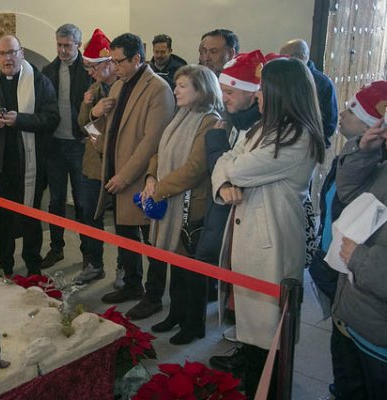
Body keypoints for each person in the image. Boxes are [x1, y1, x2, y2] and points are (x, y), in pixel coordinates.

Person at [208, 57, 326, 397]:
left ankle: (269, 387)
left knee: (270, 331)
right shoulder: (264, 127)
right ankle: (253, 375)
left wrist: (230, 169)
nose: (258, 95)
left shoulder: (298, 136)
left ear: (281, 92)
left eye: (264, 89)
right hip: (249, 231)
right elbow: (225, 164)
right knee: (252, 325)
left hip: (271, 238)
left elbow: (239, 167)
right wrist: (223, 182)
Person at [309, 76, 387, 400]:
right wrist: (363, 151)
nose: (384, 134)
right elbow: (350, 194)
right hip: (352, 322)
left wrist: (361, 259)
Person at [130, 65, 222, 344]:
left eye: (182, 86)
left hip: (191, 205)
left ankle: (193, 325)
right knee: (176, 266)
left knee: (191, 271)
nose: (175, 90)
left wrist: (159, 189)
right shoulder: (180, 114)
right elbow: (159, 151)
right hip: (169, 200)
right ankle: (176, 314)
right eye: (176, 84)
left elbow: (195, 168)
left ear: (201, 89)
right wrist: (149, 178)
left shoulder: (209, 120)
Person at [88, 33, 176, 308]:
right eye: (112, 62)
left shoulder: (158, 89)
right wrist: (94, 117)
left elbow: (153, 141)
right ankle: (132, 285)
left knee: (151, 241)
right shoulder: (117, 86)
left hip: (140, 178)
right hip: (115, 171)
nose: (114, 67)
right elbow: (109, 129)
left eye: (119, 61)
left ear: (138, 58)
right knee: (125, 234)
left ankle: (153, 296)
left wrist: (125, 176)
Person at [0, 35, 60, 276]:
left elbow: (52, 118)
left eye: (12, 52)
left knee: (30, 217)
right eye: (2, 53)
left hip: (29, 164)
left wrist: (20, 119)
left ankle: (33, 266)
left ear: (22, 53)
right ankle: (4, 264)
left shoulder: (39, 81)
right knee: (1, 219)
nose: (7, 58)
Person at [204, 50, 268, 341]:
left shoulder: (261, 128)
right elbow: (223, 164)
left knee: (257, 299)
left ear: (251, 94)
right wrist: (224, 172)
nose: (224, 99)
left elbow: (235, 168)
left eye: (229, 92)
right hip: (231, 211)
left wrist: (224, 164)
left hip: (254, 221)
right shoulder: (237, 120)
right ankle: (243, 337)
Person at [39, 24, 92, 270]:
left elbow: (99, 108)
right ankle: (57, 248)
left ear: (78, 45)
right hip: (55, 146)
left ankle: (88, 251)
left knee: (82, 202)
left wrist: (90, 134)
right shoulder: (47, 71)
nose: (62, 49)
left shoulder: (89, 70)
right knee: (56, 200)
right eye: (59, 45)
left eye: (67, 45)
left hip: (80, 145)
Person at [73, 28, 118, 286]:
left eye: (92, 67)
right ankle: (94, 264)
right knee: (89, 216)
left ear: (108, 63)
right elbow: (82, 124)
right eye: (88, 68)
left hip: (117, 165)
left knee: (125, 226)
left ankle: (126, 273)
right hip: (92, 165)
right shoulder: (94, 88)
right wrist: (90, 107)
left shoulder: (122, 88)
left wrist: (94, 123)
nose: (90, 72)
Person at [280, 39, 339, 146]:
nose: (282, 61)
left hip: (310, 142)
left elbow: (329, 122)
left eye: (286, 57)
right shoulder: (283, 77)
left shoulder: (321, 83)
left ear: (301, 57)